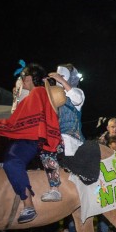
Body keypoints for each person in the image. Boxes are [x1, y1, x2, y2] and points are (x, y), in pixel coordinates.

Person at [0, 63, 62, 223]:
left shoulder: (37, 93)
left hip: (29, 140)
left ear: (28, 78)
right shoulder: (35, 94)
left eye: (22, 78)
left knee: (12, 163)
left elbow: (15, 122)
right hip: (26, 138)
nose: (20, 81)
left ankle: (28, 206)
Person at [39, 63, 85, 202]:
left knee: (48, 151)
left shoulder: (77, 92)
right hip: (55, 137)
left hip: (71, 138)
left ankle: (55, 189)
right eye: (59, 77)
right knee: (43, 149)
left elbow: (77, 99)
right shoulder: (53, 95)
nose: (59, 79)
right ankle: (54, 189)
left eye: (63, 76)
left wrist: (62, 81)